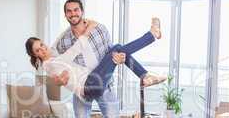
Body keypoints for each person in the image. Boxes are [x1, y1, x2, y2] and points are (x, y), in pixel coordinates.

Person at [33, 0, 164, 118]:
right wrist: (59, 78)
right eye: (69, 11)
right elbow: (56, 60)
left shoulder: (100, 29)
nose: (73, 14)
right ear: (65, 15)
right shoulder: (62, 40)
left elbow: (111, 55)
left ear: (82, 11)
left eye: (76, 10)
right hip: (83, 91)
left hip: (103, 83)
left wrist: (118, 59)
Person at [25, 18, 164, 101]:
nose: (42, 49)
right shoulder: (49, 65)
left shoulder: (52, 53)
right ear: (35, 55)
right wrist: (90, 27)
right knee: (117, 50)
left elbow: (57, 39)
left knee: (117, 48)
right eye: (38, 50)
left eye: (41, 45)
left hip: (91, 82)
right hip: (89, 85)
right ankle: (151, 35)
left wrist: (77, 22)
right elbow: (75, 49)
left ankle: (144, 75)